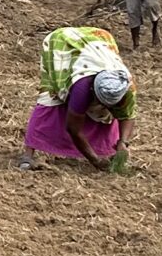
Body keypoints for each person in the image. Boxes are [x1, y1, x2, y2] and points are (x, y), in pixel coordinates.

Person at [21, 27, 135, 169]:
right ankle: (28, 154)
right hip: (61, 44)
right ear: (93, 90)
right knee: (50, 97)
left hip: (100, 39)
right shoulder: (82, 87)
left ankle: (107, 151)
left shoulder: (126, 87)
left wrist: (123, 142)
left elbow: (128, 115)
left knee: (106, 115)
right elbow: (73, 129)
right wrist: (95, 160)